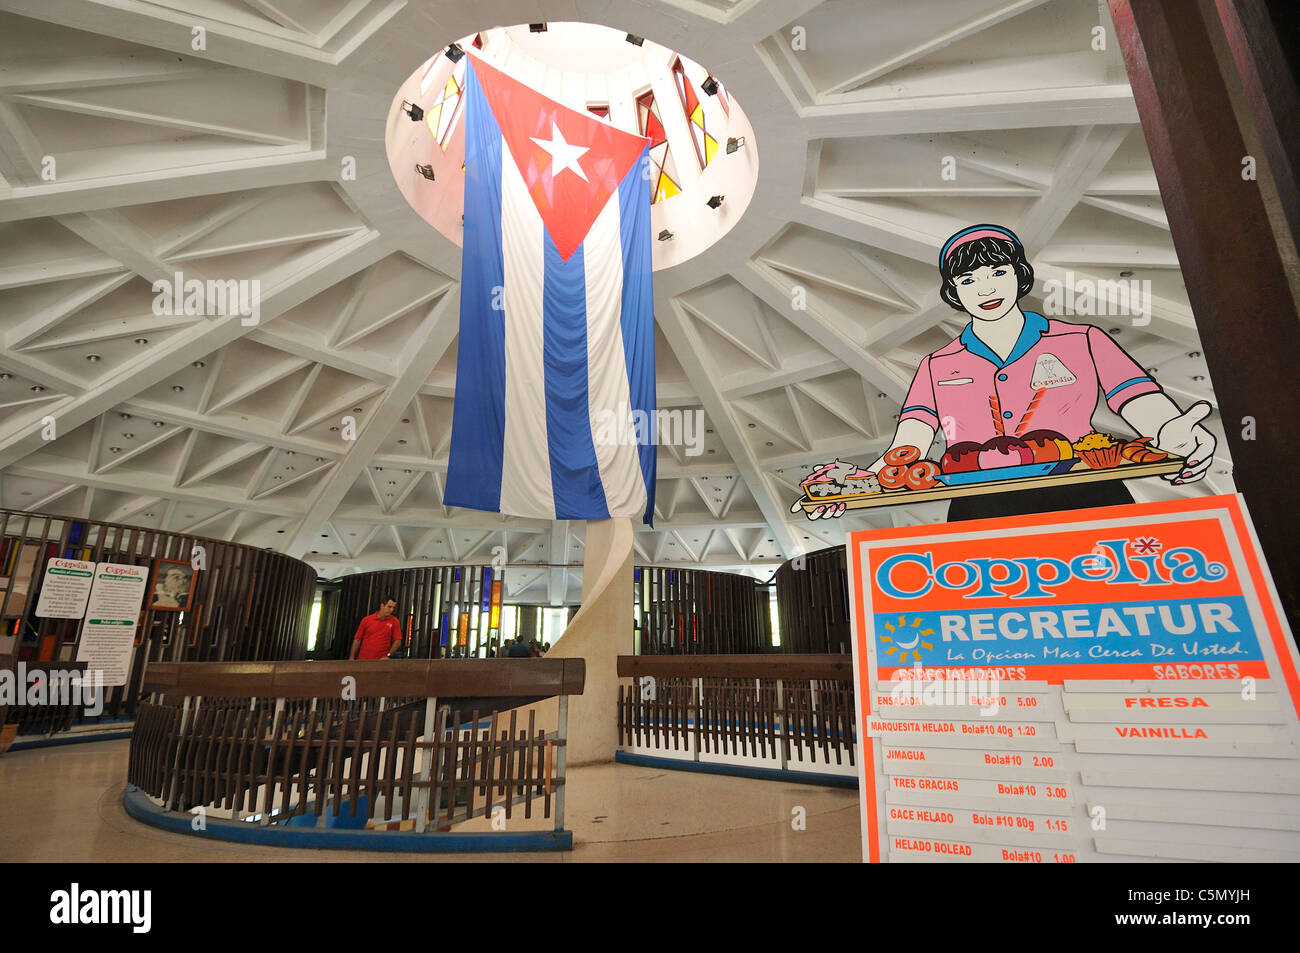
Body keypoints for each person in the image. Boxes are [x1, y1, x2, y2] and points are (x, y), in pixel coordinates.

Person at [796, 223, 1217, 522]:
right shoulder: (937, 365)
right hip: (979, 507)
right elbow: (909, 446)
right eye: (969, 279)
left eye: (999, 272)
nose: (987, 288)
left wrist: (1170, 432)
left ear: (1020, 276)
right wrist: (853, 487)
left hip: (1087, 494)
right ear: (954, 292)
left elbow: (1138, 399)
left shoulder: (1081, 340)